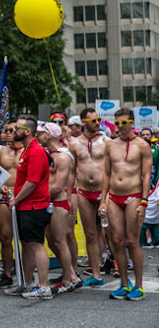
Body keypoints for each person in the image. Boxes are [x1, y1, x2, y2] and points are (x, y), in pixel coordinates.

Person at [99, 108, 152, 300]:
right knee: (117, 241)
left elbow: (146, 176)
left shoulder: (142, 145)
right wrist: (103, 199)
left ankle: (139, 285)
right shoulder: (110, 145)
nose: (120, 127)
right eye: (117, 123)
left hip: (134, 196)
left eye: (124, 123)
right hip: (113, 197)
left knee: (132, 241)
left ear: (131, 123)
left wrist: (144, 202)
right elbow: (106, 173)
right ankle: (124, 283)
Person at [4, 115, 52, 300]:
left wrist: (16, 199)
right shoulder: (27, 150)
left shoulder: (36, 151)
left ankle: (43, 285)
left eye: (17, 128)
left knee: (36, 244)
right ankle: (27, 282)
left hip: (34, 206)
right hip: (25, 206)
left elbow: (32, 182)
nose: (12, 131)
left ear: (27, 131)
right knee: (27, 245)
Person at [37, 123, 81, 294]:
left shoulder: (63, 156)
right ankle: (70, 274)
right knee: (52, 241)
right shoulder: (48, 154)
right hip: (48, 201)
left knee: (61, 241)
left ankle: (69, 278)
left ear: (49, 136)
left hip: (57, 202)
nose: (37, 136)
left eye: (40, 134)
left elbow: (59, 186)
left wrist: (68, 197)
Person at [69, 108, 109, 288]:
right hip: (84, 191)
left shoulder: (106, 141)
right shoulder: (74, 143)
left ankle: (118, 265)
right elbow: (71, 171)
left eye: (98, 119)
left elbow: (113, 168)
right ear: (83, 122)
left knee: (113, 233)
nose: (97, 122)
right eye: (92, 120)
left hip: (103, 191)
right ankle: (96, 273)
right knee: (90, 234)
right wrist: (69, 194)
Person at [0, 120, 23, 289]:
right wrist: (0, 187)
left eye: (12, 130)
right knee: (5, 237)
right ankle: (7, 273)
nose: (8, 133)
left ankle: (26, 273)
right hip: (5, 198)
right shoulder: (1, 152)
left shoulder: (27, 151)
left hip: (23, 197)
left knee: (26, 239)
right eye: (6, 130)